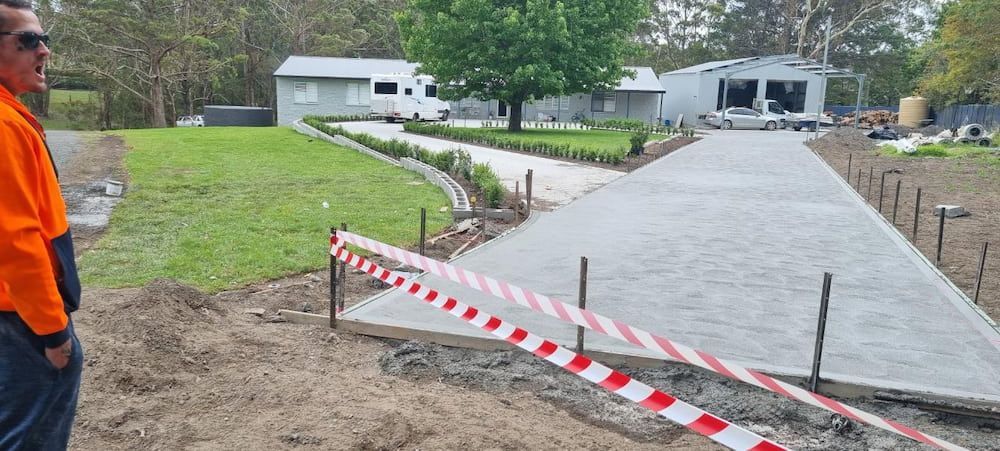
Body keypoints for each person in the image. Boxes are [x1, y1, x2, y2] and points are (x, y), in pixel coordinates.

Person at [0, 0, 84, 449]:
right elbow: (14, 240)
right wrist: (53, 333)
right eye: (28, 39)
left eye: (43, 39)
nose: (44, 50)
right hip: (20, 320)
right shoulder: (4, 127)